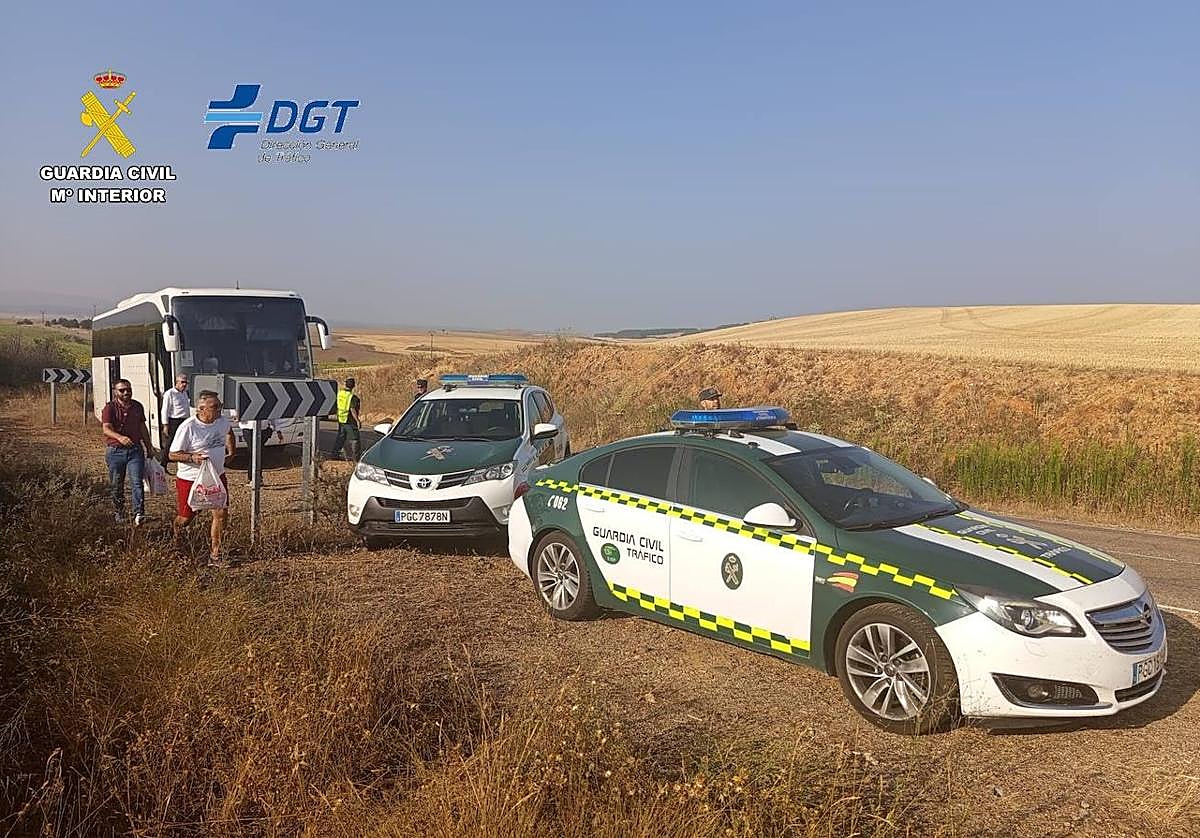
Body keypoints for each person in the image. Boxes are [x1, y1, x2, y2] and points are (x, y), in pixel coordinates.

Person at [169, 390, 236, 567]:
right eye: (215, 407)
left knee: (221, 513)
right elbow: (172, 454)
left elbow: (229, 432)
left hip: (216, 476)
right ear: (201, 409)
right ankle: (177, 540)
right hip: (191, 479)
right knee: (186, 518)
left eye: (220, 406)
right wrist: (192, 458)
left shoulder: (221, 421)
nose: (219, 409)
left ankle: (215, 555)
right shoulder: (188, 427)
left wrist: (231, 452)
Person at [101, 379, 156, 525]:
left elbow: (142, 427)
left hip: (135, 450)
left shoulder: (137, 406)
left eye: (128, 390)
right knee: (117, 483)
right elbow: (106, 428)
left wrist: (149, 447)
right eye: (122, 390)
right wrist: (120, 437)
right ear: (115, 392)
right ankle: (119, 511)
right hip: (115, 451)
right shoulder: (110, 408)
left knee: (137, 482)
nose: (126, 393)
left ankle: (139, 513)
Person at [160, 374, 191, 469]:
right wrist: (165, 425)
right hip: (174, 421)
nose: (184, 384)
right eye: (182, 382)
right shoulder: (170, 393)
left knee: (183, 442)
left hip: (184, 420)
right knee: (170, 442)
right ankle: (163, 464)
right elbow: (165, 409)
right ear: (176, 382)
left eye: (186, 382)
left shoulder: (184, 393)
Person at [332, 377, 362, 461]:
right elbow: (352, 409)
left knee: (341, 438)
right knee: (355, 439)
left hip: (341, 419)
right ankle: (356, 459)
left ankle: (334, 455)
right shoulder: (352, 397)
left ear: (345, 384)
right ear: (353, 386)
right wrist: (357, 420)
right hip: (350, 420)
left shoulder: (340, 393)